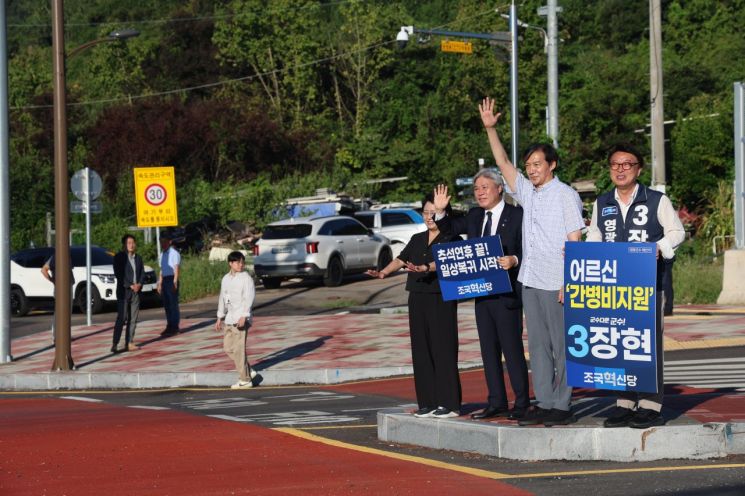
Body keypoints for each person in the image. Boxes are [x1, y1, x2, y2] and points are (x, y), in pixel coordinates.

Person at [479, 97, 585, 427]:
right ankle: (546, 400)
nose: (531, 169)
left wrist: (570, 283)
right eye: (529, 165)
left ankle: (563, 404)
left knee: (561, 345)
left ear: (552, 165)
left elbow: (575, 242)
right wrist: (491, 129)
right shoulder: (528, 192)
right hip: (531, 279)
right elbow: (504, 164)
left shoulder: (566, 194)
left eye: (537, 164)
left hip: (557, 281)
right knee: (538, 347)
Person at [587, 144, 685, 429]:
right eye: (615, 164)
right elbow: (595, 235)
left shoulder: (656, 200)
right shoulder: (602, 202)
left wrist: (658, 248)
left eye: (626, 164)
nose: (620, 169)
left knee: (647, 345)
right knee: (619, 342)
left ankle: (651, 404)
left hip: (649, 286)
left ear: (638, 169)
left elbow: (677, 231)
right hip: (613, 288)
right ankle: (625, 402)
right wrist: (581, 254)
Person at [433, 171, 529, 421]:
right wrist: (441, 212)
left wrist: (514, 259)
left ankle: (521, 401)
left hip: (507, 295)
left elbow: (528, 248)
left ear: (500, 189)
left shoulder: (517, 215)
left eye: (485, 187)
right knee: (488, 351)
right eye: (476, 188)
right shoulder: (475, 216)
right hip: (482, 294)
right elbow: (451, 228)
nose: (480, 192)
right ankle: (496, 401)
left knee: (513, 350)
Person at [367, 193, 461, 419]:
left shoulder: (451, 238)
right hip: (417, 296)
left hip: (441, 297)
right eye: (426, 212)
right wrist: (383, 272)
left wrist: (426, 268)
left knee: (443, 348)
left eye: (434, 212)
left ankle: (449, 404)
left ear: (443, 214)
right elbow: (401, 259)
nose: (430, 217)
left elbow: (444, 262)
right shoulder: (417, 238)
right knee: (421, 350)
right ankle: (427, 402)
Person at [215, 251, 258, 389]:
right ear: (230, 263)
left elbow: (249, 297)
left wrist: (244, 315)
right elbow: (223, 297)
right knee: (228, 348)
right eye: (238, 262)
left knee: (239, 350)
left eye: (242, 262)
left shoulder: (246, 278)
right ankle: (248, 370)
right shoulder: (225, 279)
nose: (241, 265)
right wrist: (219, 317)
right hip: (229, 318)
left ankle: (245, 380)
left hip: (241, 318)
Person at [112, 234, 144, 353]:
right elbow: (119, 274)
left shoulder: (138, 258)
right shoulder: (119, 257)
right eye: (128, 243)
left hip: (136, 292)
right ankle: (115, 343)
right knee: (122, 317)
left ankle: (129, 342)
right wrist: (130, 285)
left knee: (133, 318)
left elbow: (142, 273)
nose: (131, 245)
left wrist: (139, 284)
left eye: (133, 242)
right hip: (124, 292)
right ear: (124, 245)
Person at [41, 250, 75, 342]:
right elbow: (43, 270)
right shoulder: (55, 257)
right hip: (61, 287)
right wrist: (52, 280)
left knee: (67, 311)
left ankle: (65, 334)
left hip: (67, 285)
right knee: (60, 312)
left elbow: (44, 270)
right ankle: (56, 336)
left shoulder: (63, 255)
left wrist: (53, 280)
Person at [158, 232, 181, 337]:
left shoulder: (174, 253)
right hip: (165, 280)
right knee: (167, 304)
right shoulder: (162, 255)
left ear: (169, 242)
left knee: (173, 304)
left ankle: (175, 326)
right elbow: (162, 270)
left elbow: (176, 268)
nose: (163, 244)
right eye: (161, 242)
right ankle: (169, 325)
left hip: (172, 279)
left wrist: (175, 281)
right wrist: (159, 283)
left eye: (164, 242)